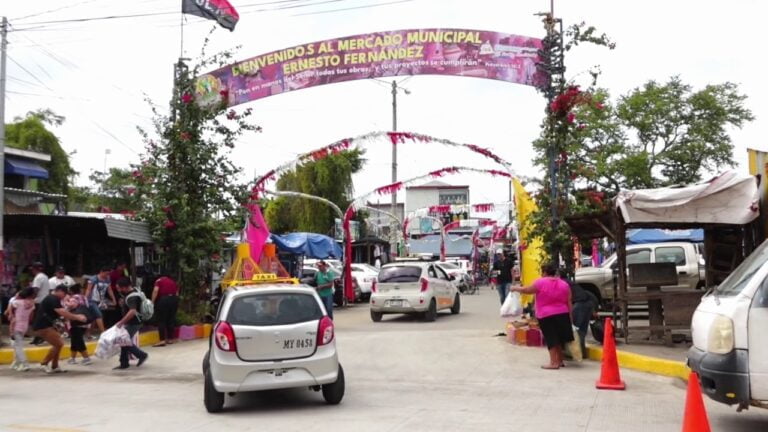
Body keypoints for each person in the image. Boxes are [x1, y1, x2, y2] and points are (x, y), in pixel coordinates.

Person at [511, 263, 574, 370]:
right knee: (559, 339)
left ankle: (554, 363)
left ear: (544, 272)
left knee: (551, 339)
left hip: (547, 315)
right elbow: (569, 301)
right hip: (563, 313)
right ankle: (560, 360)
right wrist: (570, 316)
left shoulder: (541, 282)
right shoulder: (564, 284)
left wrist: (515, 288)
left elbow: (527, 290)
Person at [32, 285, 88, 373]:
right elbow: (61, 311)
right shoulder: (52, 298)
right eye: (65, 293)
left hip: (47, 325)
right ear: (60, 291)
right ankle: (44, 363)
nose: (65, 296)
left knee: (58, 344)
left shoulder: (53, 299)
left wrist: (70, 318)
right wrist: (77, 317)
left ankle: (55, 366)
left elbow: (61, 313)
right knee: (58, 344)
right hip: (43, 326)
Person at [113, 278, 148, 370]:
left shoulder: (132, 297)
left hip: (134, 322)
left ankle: (142, 355)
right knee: (123, 341)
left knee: (123, 341)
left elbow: (132, 311)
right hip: (134, 322)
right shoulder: (135, 291)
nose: (118, 290)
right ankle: (124, 363)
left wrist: (121, 322)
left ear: (124, 287)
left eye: (119, 288)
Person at [566, 277, 598, 355]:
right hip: (588, 303)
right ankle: (582, 352)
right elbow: (588, 295)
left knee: (576, 330)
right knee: (582, 330)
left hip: (580, 305)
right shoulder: (571, 283)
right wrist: (594, 309)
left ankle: (577, 353)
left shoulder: (561, 284)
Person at [5, 288, 35, 371]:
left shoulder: (16, 302)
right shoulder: (32, 304)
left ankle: (25, 364)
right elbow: (31, 317)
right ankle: (17, 363)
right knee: (17, 345)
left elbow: (9, 312)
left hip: (16, 325)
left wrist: (16, 297)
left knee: (18, 347)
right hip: (24, 325)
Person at [65, 284, 93, 365]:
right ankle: (72, 358)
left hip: (76, 322)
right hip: (85, 321)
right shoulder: (84, 297)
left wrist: (66, 301)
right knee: (75, 340)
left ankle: (86, 357)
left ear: (71, 291)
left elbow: (70, 306)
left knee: (78, 340)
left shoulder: (73, 298)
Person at [85, 266, 116, 335]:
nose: (107, 275)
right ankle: (103, 332)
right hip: (91, 300)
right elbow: (88, 289)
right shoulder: (93, 279)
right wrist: (85, 299)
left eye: (108, 274)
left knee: (94, 317)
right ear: (101, 272)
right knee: (99, 315)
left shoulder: (107, 279)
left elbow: (109, 290)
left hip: (100, 300)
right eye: (106, 273)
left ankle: (89, 332)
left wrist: (114, 299)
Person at [151, 274, 179, 347]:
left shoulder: (159, 280)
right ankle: (170, 339)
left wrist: (152, 302)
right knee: (171, 318)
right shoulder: (173, 281)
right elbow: (177, 293)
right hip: (174, 299)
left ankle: (162, 340)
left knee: (161, 319)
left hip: (164, 300)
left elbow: (155, 290)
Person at [30, 262, 51, 345]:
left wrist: (30, 299)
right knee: (41, 320)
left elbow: (36, 290)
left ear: (35, 269)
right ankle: (40, 337)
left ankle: (39, 337)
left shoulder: (38, 278)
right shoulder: (45, 276)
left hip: (38, 301)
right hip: (45, 300)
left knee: (37, 321)